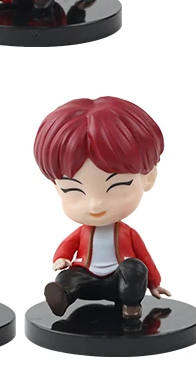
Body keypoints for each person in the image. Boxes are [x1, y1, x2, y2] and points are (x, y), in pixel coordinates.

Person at [34, 96, 171, 320]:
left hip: (119, 283)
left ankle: (131, 306)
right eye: (73, 189)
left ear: (148, 177)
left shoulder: (128, 233)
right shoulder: (82, 233)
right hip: (86, 280)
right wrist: (61, 258)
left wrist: (154, 283)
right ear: (57, 188)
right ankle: (64, 296)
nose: (95, 203)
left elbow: (145, 258)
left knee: (135, 268)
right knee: (66, 278)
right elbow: (67, 247)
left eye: (116, 186)